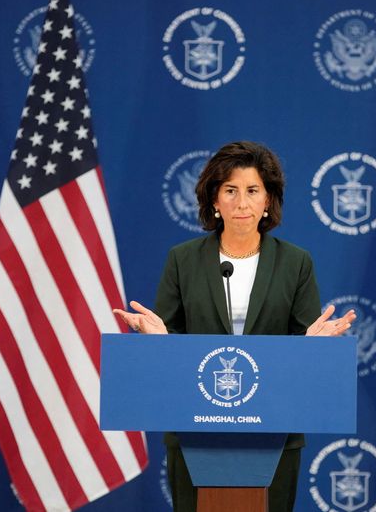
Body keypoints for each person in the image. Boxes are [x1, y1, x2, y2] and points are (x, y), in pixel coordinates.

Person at [113, 141, 356, 512]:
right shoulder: (183, 260)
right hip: (196, 429)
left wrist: (311, 346)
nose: (242, 203)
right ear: (214, 200)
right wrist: (159, 341)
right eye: (231, 191)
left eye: (253, 191)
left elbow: (304, 348)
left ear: (267, 201)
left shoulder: (295, 263)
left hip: (275, 431)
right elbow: (169, 342)